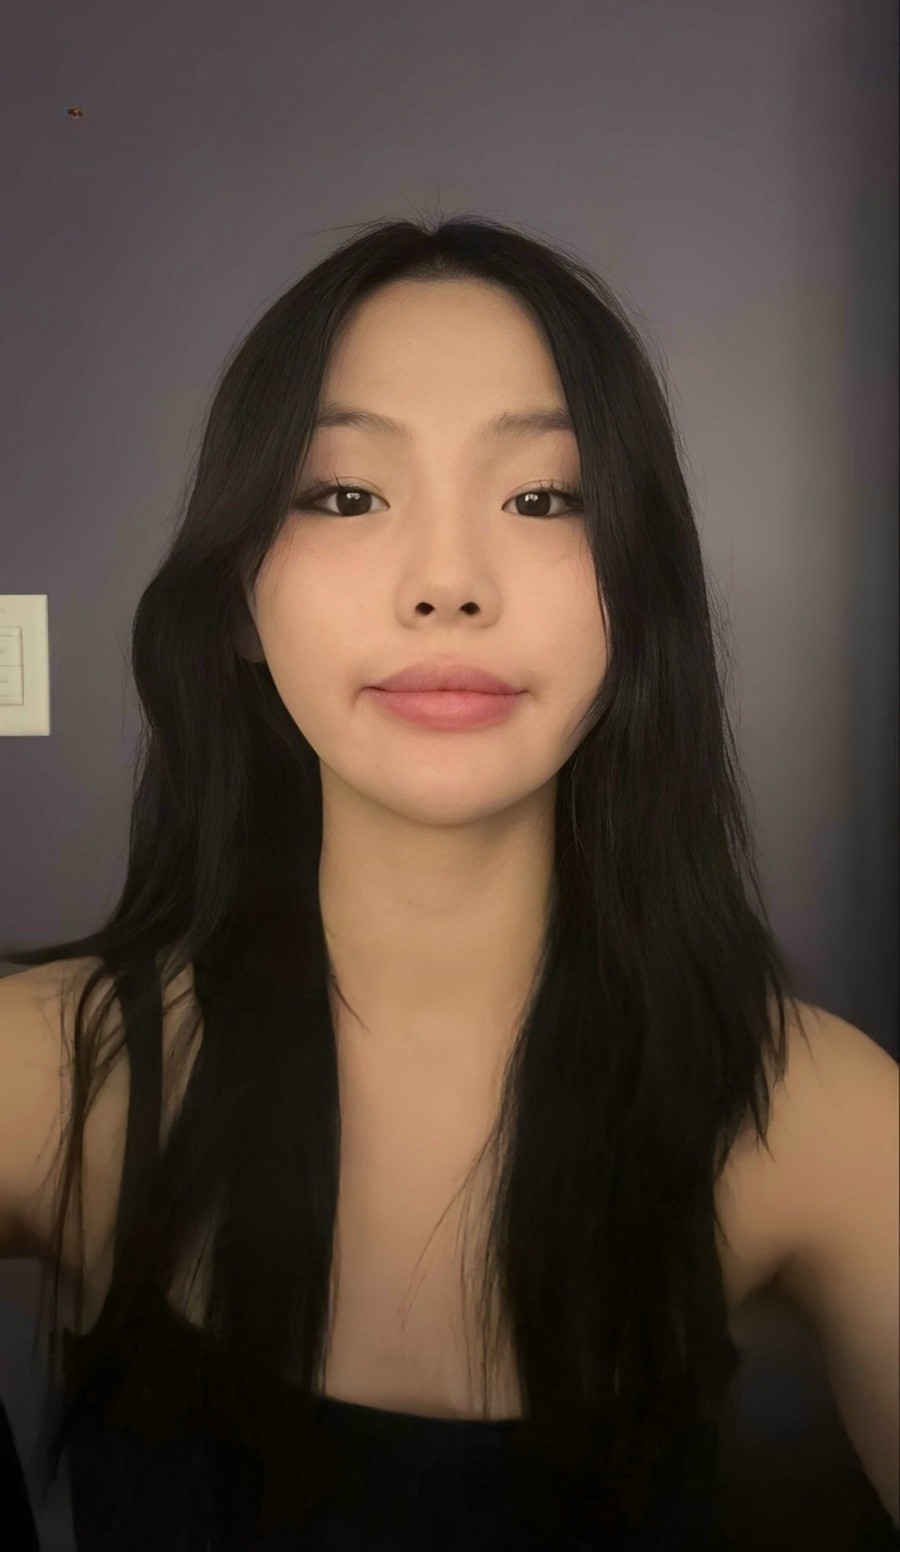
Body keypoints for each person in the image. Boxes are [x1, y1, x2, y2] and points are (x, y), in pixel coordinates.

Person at [1, 214, 897, 1549]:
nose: (446, 585)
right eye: (344, 495)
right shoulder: (43, 1076)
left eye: (542, 499)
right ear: (238, 597)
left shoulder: (819, 1116)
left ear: (637, 594)